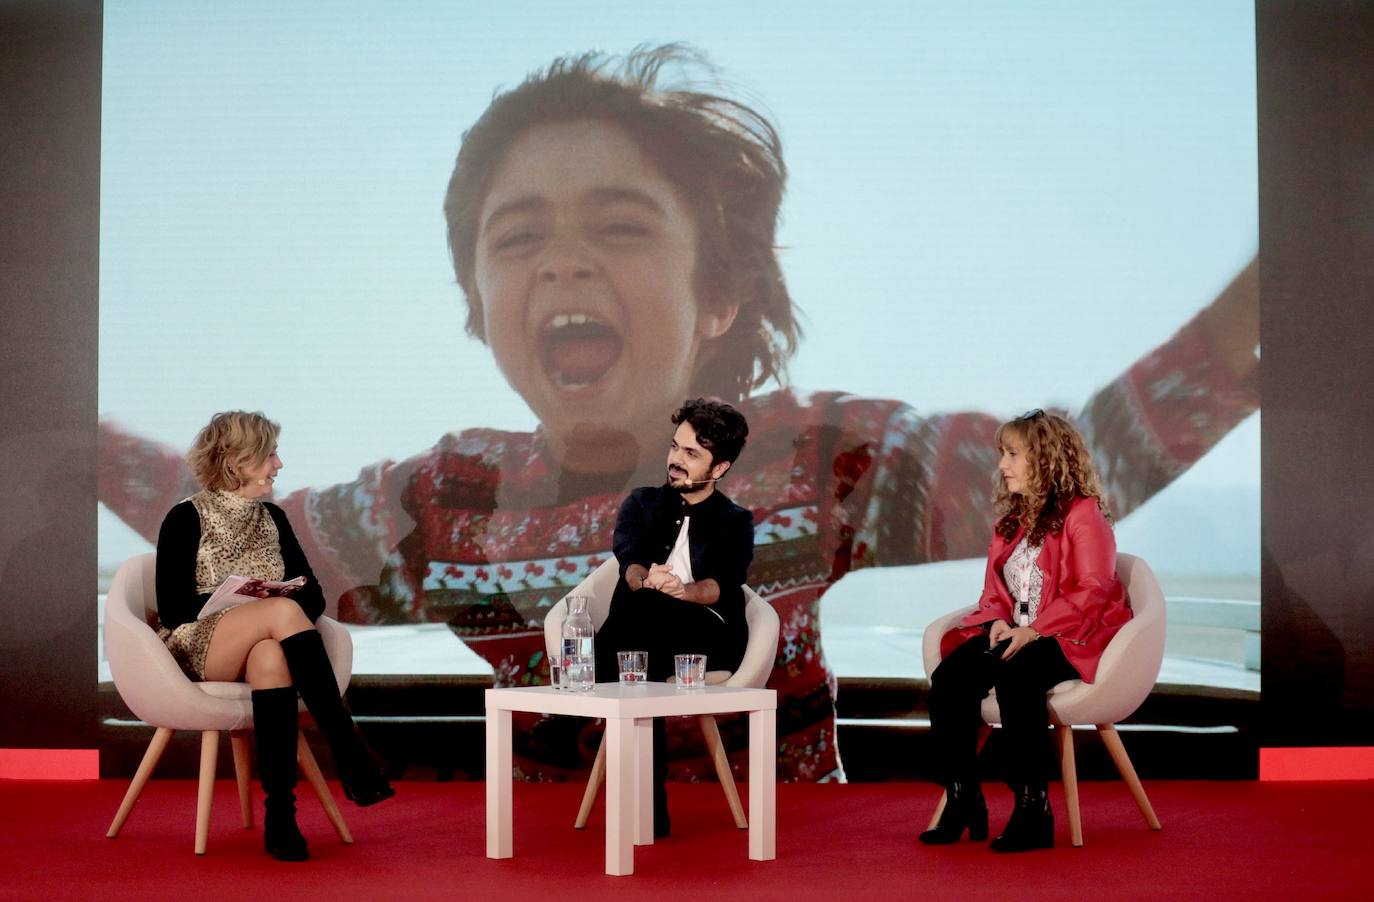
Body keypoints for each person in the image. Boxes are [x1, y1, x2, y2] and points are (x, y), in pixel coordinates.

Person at [101, 46, 1260, 783]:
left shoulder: (826, 456)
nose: (561, 265)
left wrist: (1282, 298)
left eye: (617, 224)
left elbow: (1095, 454)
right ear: (478, 304)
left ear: (719, 293)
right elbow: (219, 527)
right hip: (553, 862)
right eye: (517, 240)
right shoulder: (437, 497)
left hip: (788, 854)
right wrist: (64, 433)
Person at [154, 411, 394, 862]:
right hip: (197, 644)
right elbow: (171, 609)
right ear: (236, 462)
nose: (278, 465)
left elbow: (315, 598)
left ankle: (281, 816)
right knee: (278, 613)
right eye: (269, 455)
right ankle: (348, 750)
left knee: (270, 656)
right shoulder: (185, 518)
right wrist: (246, 604)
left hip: (260, 642)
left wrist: (266, 604)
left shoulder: (274, 519)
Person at [918, 409, 1130, 852]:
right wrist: (997, 620)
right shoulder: (1011, 521)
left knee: (1018, 677)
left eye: (1013, 454)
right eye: (1002, 453)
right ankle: (964, 800)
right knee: (949, 680)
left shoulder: (1084, 514)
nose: (1002, 465)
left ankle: (1033, 810)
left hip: (1072, 633)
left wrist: (1034, 632)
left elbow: (1094, 591)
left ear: (1046, 458)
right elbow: (994, 590)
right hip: (1019, 631)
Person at [593, 398, 753, 836]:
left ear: (719, 468)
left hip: (706, 633)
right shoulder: (643, 503)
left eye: (691, 454)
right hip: (647, 627)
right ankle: (650, 809)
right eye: (674, 447)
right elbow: (630, 561)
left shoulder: (735, 521)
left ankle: (583, 688)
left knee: (642, 626)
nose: (675, 461)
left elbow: (723, 584)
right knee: (641, 644)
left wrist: (681, 592)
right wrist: (646, 579)